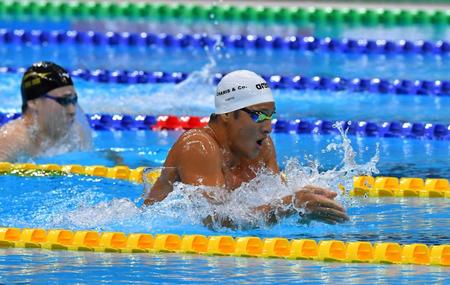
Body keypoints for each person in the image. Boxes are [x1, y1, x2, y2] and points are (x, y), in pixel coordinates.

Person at [144, 70, 348, 227]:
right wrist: (289, 204)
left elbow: (268, 207)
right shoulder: (198, 146)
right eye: (259, 115)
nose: (268, 127)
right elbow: (216, 221)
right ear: (226, 114)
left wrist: (303, 206)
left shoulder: (261, 146)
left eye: (270, 116)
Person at [0, 61, 92, 162]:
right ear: (34, 102)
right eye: (63, 101)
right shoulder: (12, 140)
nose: (72, 110)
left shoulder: (76, 133)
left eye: (73, 100)